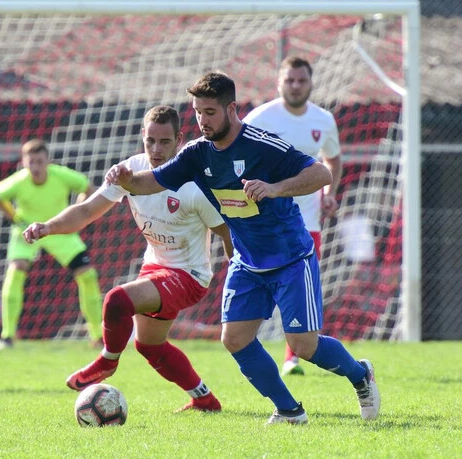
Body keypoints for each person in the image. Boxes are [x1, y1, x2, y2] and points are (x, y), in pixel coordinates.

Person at [106, 71, 379, 424]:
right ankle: (289, 410)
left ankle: (361, 375)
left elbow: (321, 175)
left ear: (231, 109)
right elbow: (152, 182)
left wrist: (274, 188)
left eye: (209, 112)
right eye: (197, 112)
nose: (202, 120)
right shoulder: (196, 154)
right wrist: (127, 180)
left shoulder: (263, 145)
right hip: (247, 262)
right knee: (234, 338)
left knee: (302, 346)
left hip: (291, 258)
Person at [24, 105, 231, 412]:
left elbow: (226, 234)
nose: (156, 149)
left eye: (164, 142)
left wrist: (244, 279)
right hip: (156, 266)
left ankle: (107, 361)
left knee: (117, 300)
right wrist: (47, 227)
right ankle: (205, 400)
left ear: (179, 140)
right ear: (142, 138)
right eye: (150, 141)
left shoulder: (193, 184)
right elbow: (85, 211)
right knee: (149, 346)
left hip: (189, 276)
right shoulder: (129, 172)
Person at [243, 56, 343, 376]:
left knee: (302, 287)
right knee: (265, 285)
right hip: (267, 220)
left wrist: (330, 192)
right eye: (290, 80)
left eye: (301, 80)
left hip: (308, 219)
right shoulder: (260, 118)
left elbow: (332, 160)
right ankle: (250, 346)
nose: (296, 86)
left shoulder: (324, 120)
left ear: (311, 83)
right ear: (279, 83)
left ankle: (292, 357)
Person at [0, 139, 103, 350]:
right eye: (30, 162)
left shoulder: (60, 175)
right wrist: (15, 218)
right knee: (16, 270)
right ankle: (7, 336)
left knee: (87, 274)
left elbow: (87, 188)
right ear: (24, 162)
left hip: (58, 229)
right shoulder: (19, 180)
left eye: (39, 162)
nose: (35, 167)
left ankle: (97, 335)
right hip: (28, 231)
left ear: (47, 161)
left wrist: (76, 217)